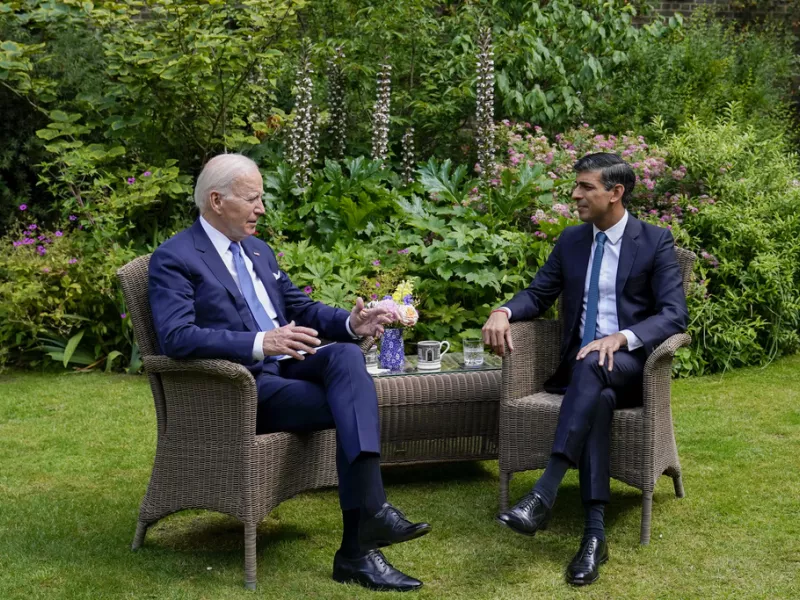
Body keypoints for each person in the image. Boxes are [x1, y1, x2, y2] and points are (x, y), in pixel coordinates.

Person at [148, 153, 430, 592]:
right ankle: (361, 542)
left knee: (347, 356)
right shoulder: (175, 257)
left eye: (261, 199)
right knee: (353, 404)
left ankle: (368, 522)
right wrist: (261, 342)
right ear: (217, 201)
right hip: (242, 388)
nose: (261, 209)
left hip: (290, 368)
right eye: (252, 199)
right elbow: (176, 336)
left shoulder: (258, 250)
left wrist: (352, 323)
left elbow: (300, 307)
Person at [482, 153, 688, 586]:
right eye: (576, 186)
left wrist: (623, 338)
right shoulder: (572, 241)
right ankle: (594, 535)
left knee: (597, 362)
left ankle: (545, 490)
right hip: (585, 376)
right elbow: (538, 294)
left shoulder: (654, 241)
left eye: (586, 187)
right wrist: (503, 311)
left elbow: (674, 315)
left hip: (633, 367)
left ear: (615, 193)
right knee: (599, 398)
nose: (575, 194)